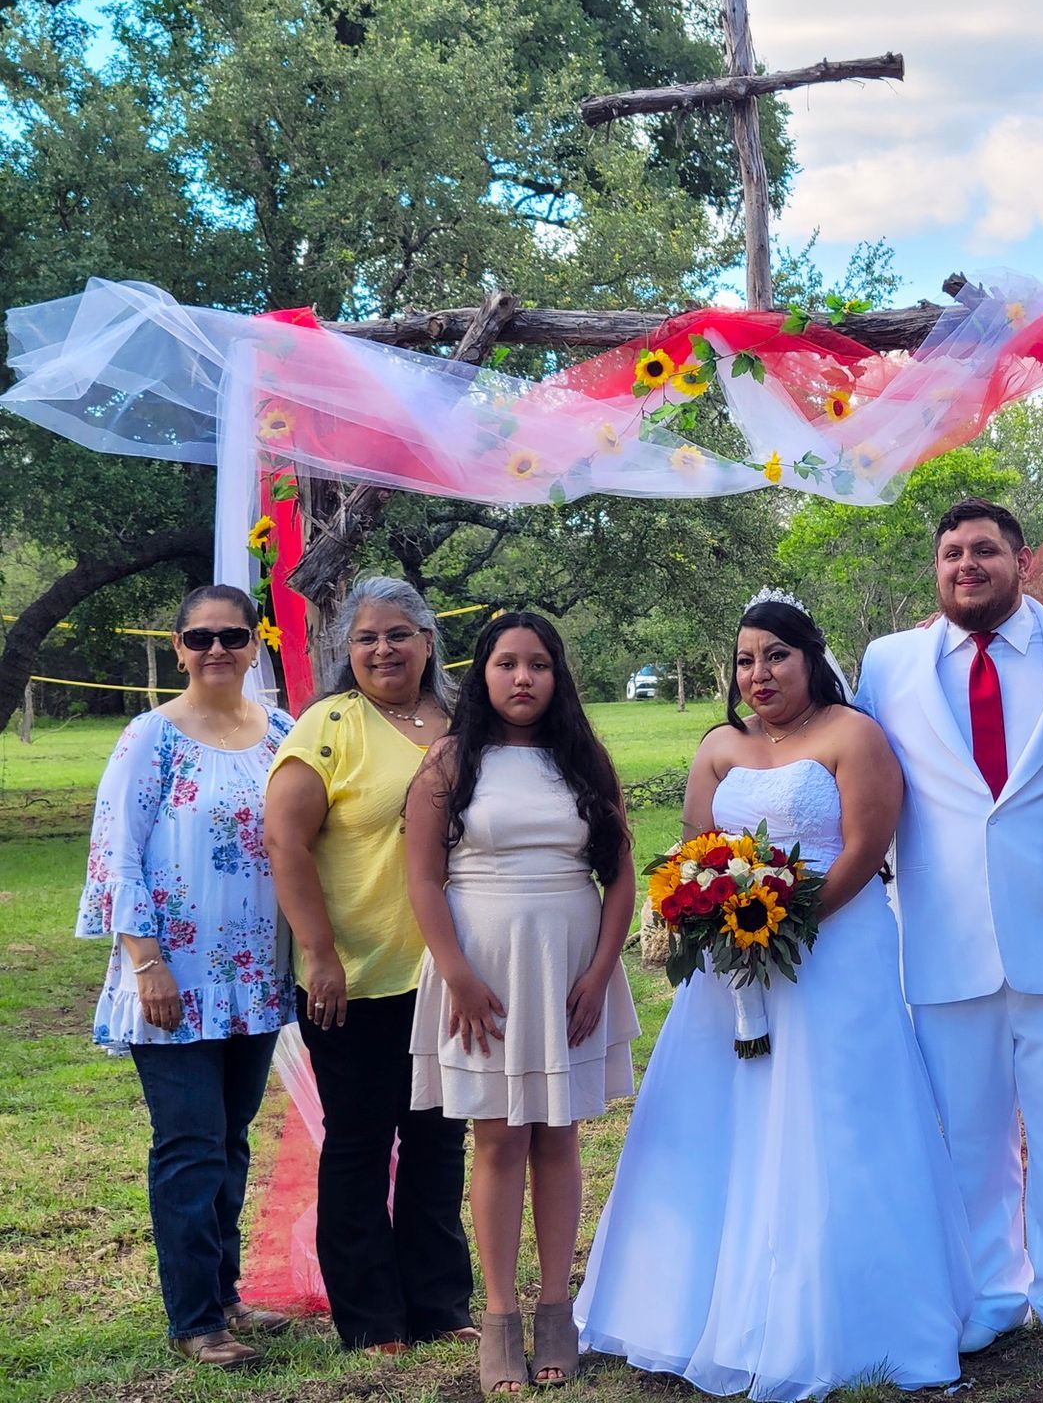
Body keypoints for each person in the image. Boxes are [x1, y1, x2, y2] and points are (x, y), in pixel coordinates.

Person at [577, 596, 972, 1401]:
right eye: (746, 660)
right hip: (729, 972)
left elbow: (865, 848)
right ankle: (697, 1306)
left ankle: (848, 1314)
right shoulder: (719, 747)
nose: (758, 674)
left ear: (811, 657)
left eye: (776, 657)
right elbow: (694, 851)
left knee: (838, 1115)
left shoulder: (852, 735)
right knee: (721, 1116)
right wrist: (721, 924)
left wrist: (781, 924)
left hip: (834, 955)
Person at [854, 499, 1043, 1369]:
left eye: (984, 550)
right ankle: (990, 1289)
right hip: (942, 934)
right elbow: (848, 771)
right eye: (950, 553)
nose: (965, 565)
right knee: (968, 1128)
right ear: (935, 568)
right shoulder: (889, 662)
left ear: (1021, 560)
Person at [406, 612, 642, 1394]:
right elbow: (422, 879)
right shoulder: (449, 762)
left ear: (557, 676)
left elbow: (621, 876)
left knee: (559, 1135)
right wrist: (457, 973)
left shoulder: (583, 760)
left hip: (571, 970)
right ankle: (500, 1316)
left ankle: (555, 1309)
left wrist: (603, 972)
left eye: (538, 664)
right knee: (500, 1137)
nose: (522, 678)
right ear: (483, 673)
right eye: (507, 663)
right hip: (483, 975)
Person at [76, 584, 295, 1369]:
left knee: (230, 1143)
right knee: (190, 1146)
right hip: (171, 973)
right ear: (177, 647)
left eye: (232, 637)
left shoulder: (280, 730)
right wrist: (146, 963)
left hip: (254, 973)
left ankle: (226, 1293)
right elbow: (117, 853)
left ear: (254, 643)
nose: (216, 652)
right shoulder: (151, 737)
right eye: (200, 639)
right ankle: (195, 1320)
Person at [263, 576, 474, 1353]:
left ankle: (441, 1305)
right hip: (353, 978)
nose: (383, 649)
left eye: (398, 634)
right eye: (366, 638)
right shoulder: (329, 727)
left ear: (427, 641)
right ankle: (371, 1317)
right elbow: (285, 842)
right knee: (358, 1142)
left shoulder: (462, 722)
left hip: (447, 976)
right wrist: (319, 953)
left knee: (438, 1140)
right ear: (346, 651)